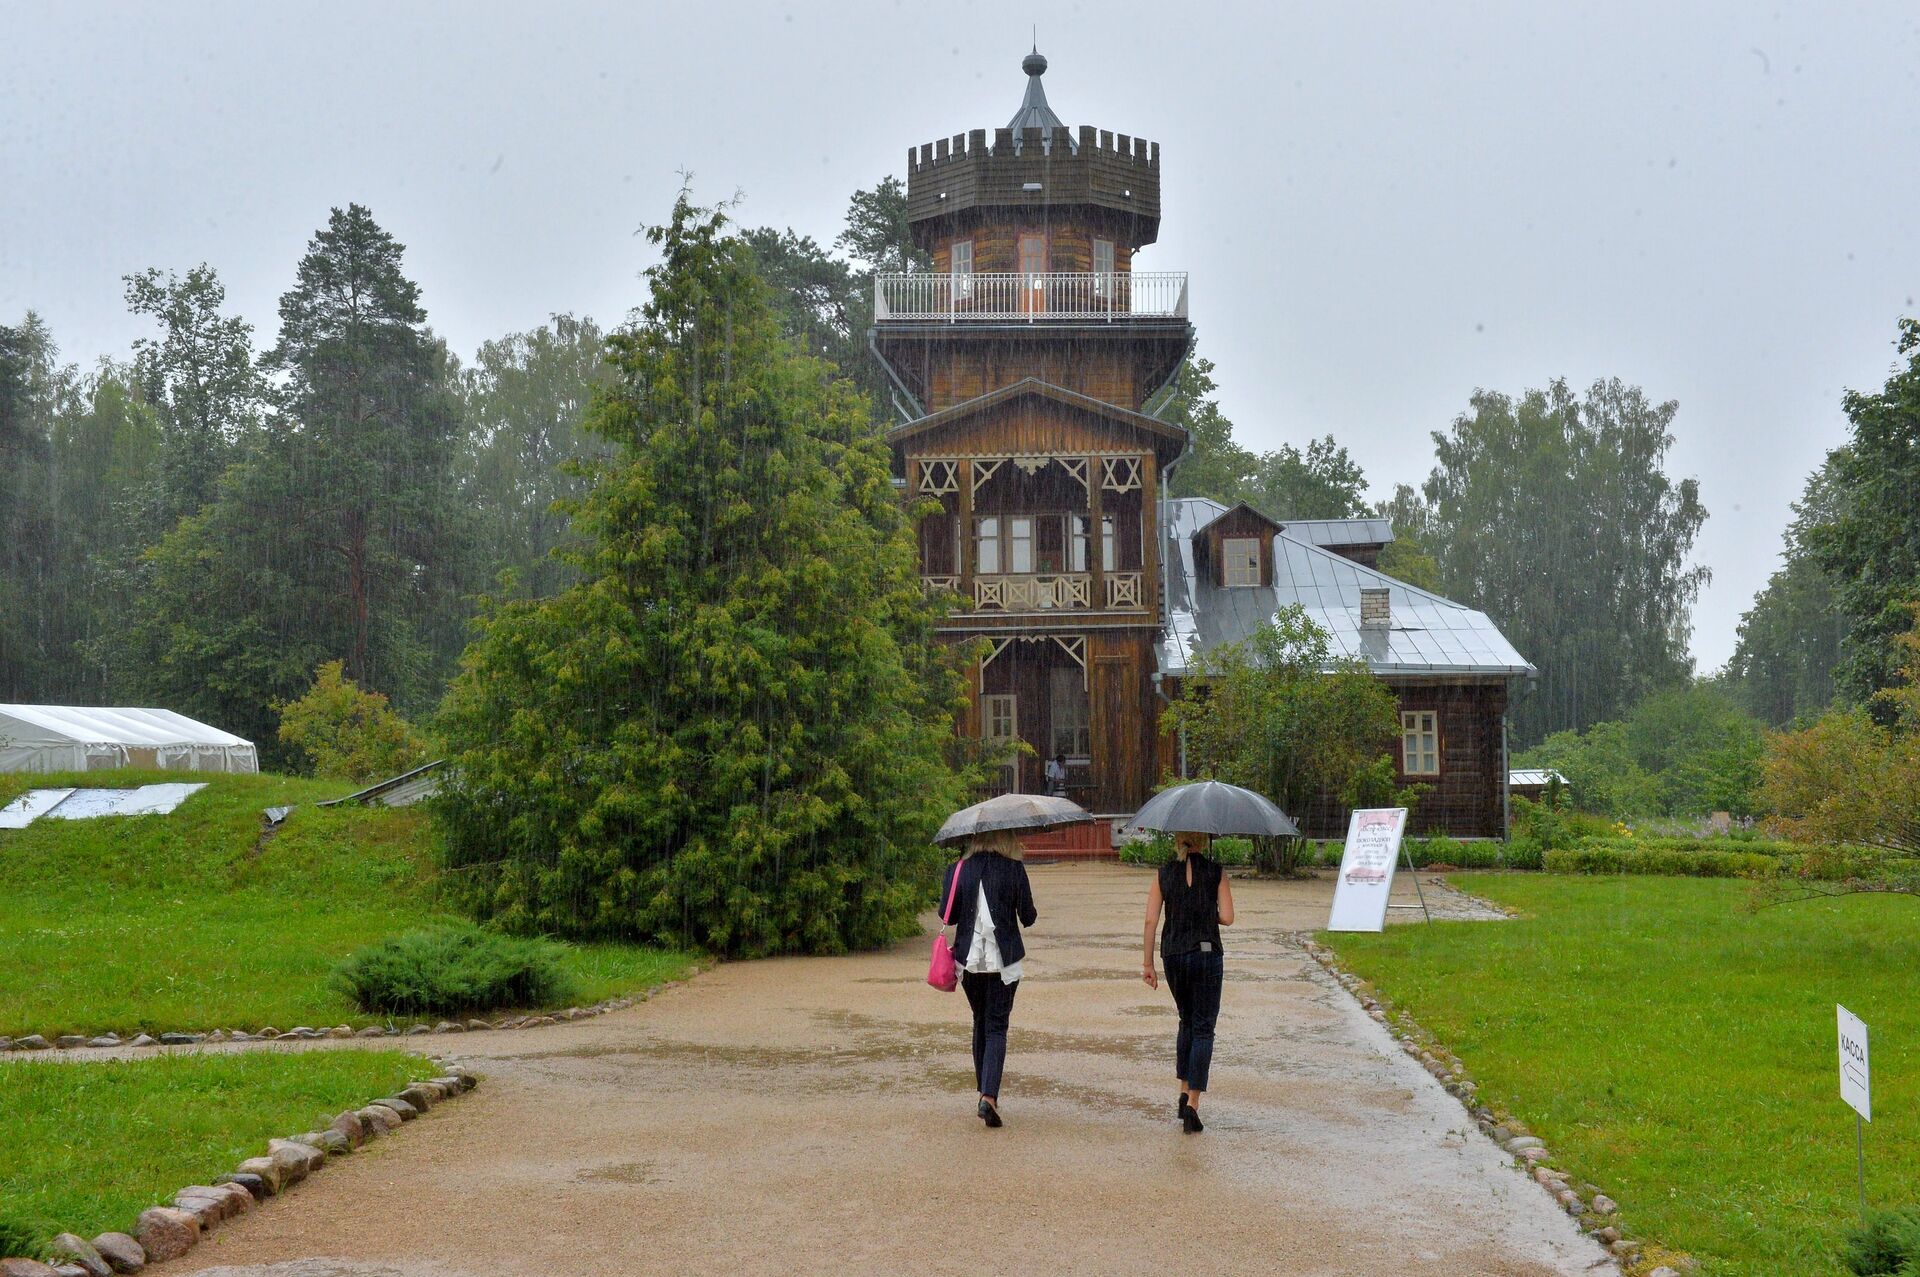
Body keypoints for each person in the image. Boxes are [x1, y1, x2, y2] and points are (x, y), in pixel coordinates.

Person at [939, 828, 1038, 1128]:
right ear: (1005, 837)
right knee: (996, 1026)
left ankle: (984, 1091)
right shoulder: (1013, 868)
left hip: (968, 960)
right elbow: (1029, 917)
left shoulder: (957, 869)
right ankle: (989, 1097)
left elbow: (947, 914)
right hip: (1003, 959)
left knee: (980, 1021)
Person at [1141, 830, 1234, 1133]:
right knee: (1204, 1027)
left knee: (1186, 1020)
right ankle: (1193, 1103)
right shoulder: (1216, 872)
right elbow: (1229, 917)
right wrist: (1207, 912)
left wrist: (1148, 964)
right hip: (1207, 955)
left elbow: (1151, 921)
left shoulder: (1163, 874)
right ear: (1204, 839)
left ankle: (1183, 1090)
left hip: (1174, 955)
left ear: (1178, 838)